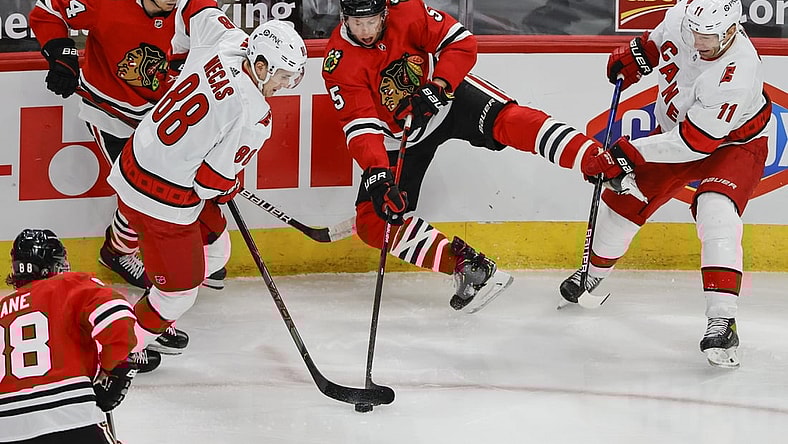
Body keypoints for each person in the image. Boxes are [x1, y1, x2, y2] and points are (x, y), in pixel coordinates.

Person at [321, 0, 608, 313]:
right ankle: (469, 266)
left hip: (447, 101)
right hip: (399, 136)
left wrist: (439, 85)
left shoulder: (409, 12)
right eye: (356, 22)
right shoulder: (339, 62)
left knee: (508, 121)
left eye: (371, 21)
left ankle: (594, 157)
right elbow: (360, 126)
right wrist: (377, 173)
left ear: (385, 13)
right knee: (373, 222)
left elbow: (461, 43)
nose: (364, 31)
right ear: (343, 17)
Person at [564, 0, 771, 368]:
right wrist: (635, 58)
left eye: (708, 36)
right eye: (695, 31)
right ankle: (592, 276)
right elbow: (656, 44)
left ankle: (722, 320)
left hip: (733, 145)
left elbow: (696, 143)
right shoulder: (681, 18)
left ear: (731, 30)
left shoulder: (738, 69)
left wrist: (628, 153)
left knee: (716, 210)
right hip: (673, 132)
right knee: (622, 203)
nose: (698, 41)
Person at [105, 1, 307, 355]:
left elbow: (195, 5)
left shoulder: (229, 41)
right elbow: (209, 184)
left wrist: (179, 52)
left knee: (217, 247)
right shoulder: (254, 117)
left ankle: (152, 297)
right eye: (283, 75)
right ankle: (117, 350)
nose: (286, 84)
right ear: (260, 65)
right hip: (163, 202)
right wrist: (230, 184)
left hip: (133, 161)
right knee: (179, 294)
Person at [28, 0, 227, 292]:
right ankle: (118, 252)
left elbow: (225, 44)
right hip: (112, 115)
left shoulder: (194, 6)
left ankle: (188, 250)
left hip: (167, 118)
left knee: (180, 187)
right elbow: (46, 11)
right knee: (139, 188)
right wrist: (62, 55)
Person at [0, 229, 152, 443]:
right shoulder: (69, 285)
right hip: (71, 417)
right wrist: (115, 370)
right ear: (56, 264)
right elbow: (118, 318)